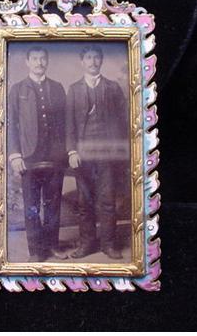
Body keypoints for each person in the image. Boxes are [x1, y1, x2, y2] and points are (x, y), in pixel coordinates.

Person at [66, 45, 127, 259]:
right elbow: (69, 124)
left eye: (96, 57)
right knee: (85, 202)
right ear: (82, 62)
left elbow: (124, 122)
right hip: (82, 156)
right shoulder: (74, 89)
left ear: (101, 60)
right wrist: (72, 151)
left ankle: (108, 244)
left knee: (107, 200)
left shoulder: (113, 88)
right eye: (88, 58)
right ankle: (87, 244)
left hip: (107, 155)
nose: (92, 62)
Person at [8, 47, 68, 262]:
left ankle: (52, 246)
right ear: (27, 62)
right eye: (34, 59)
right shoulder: (17, 89)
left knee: (53, 203)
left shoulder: (57, 88)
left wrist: (66, 152)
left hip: (54, 156)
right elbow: (11, 124)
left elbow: (65, 122)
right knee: (31, 205)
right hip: (29, 157)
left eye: (43, 59)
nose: (39, 63)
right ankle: (35, 250)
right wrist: (15, 155)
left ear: (47, 61)